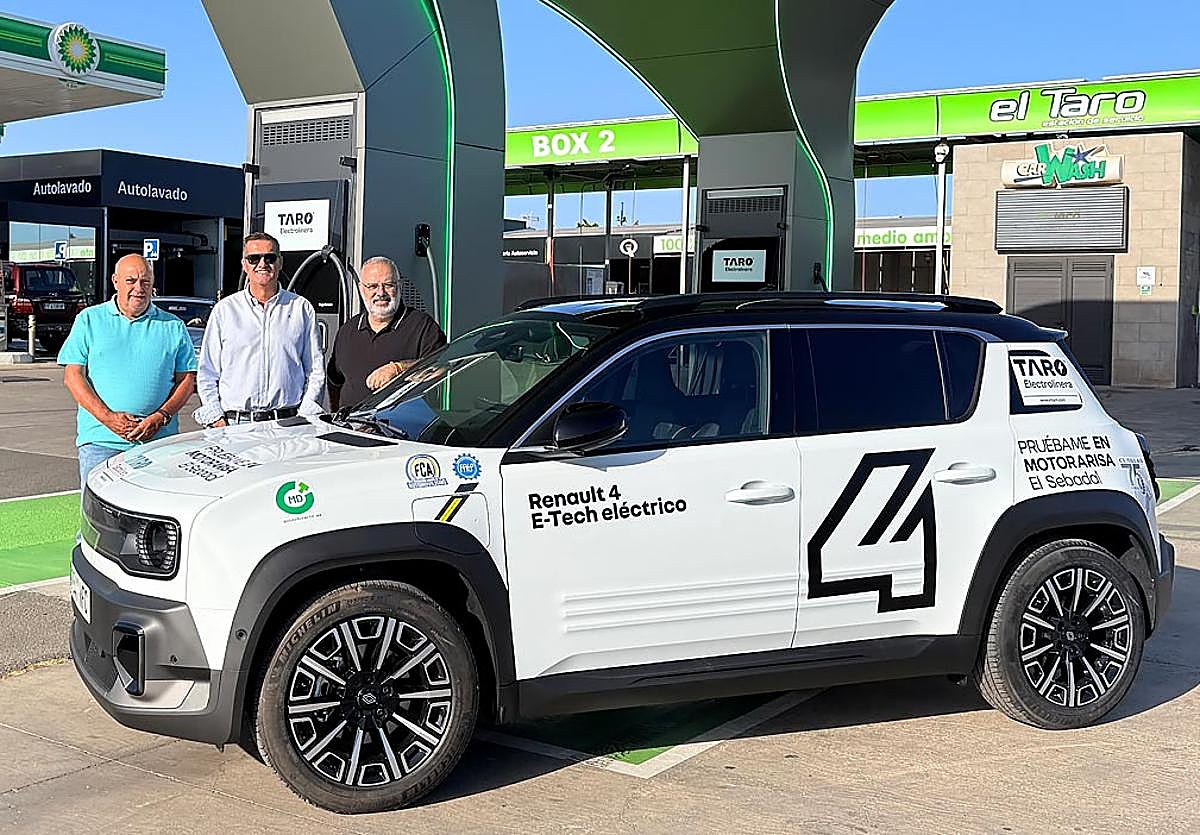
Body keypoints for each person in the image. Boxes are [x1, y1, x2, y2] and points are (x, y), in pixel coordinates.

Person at [59, 254, 197, 487]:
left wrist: (160, 417)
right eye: (130, 281)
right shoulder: (89, 320)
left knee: (155, 513)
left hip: (159, 443)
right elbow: (73, 377)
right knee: (100, 518)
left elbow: (187, 380)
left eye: (145, 282)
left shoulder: (173, 326)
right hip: (101, 442)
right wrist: (109, 419)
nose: (138, 288)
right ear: (115, 281)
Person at [194, 232, 325, 427]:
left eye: (269, 257)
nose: (262, 264)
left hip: (288, 424)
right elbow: (207, 372)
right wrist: (216, 418)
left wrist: (305, 415)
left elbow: (315, 370)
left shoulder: (300, 308)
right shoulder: (225, 310)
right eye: (254, 258)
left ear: (280, 262)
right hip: (236, 426)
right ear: (244, 264)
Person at [326, 256, 446, 411]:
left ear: (399, 286)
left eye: (388, 285)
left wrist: (399, 368)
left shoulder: (421, 326)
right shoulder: (348, 330)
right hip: (351, 430)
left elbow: (442, 367)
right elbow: (334, 381)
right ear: (361, 289)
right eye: (372, 286)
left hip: (398, 431)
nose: (380, 293)